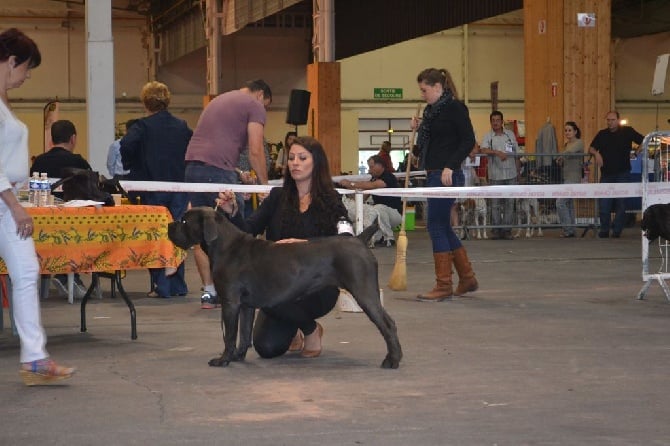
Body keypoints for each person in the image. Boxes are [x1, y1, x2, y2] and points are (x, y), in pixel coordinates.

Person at [216, 136, 349, 359]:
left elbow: (345, 240)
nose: (295, 162)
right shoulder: (277, 197)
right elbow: (247, 230)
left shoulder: (331, 199)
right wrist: (233, 212)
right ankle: (301, 326)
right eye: (292, 158)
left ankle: (310, 330)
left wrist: (305, 245)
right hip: (278, 284)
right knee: (267, 348)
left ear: (316, 163)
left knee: (269, 299)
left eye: (302, 158)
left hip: (317, 284)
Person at [0, 27, 75, 385]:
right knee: (26, 272)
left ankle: (34, 358)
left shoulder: (4, 102)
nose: (27, 75)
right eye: (26, 67)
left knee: (27, 272)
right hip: (5, 202)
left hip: (7, 201)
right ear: (11, 61)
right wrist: (16, 204)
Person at [184, 79, 272, 309]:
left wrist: (236, 173)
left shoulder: (220, 99)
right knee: (236, 235)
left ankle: (210, 292)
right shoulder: (254, 105)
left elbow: (210, 150)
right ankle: (238, 290)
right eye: (267, 106)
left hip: (193, 169)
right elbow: (255, 151)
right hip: (216, 173)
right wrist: (265, 187)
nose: (264, 112)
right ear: (261, 95)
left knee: (203, 233)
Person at [411, 67, 478, 302]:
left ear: (437, 87)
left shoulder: (455, 108)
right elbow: (426, 147)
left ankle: (444, 284)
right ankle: (467, 277)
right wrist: (418, 129)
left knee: (436, 227)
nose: (422, 95)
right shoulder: (431, 113)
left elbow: (468, 139)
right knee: (443, 227)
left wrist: (451, 165)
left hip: (447, 174)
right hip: (434, 173)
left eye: (424, 90)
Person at [120, 81, 191, 298]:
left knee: (157, 235)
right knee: (178, 233)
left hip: (153, 187)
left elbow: (126, 146)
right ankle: (178, 285)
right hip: (179, 187)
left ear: (145, 102)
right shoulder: (182, 125)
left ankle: (161, 285)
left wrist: (133, 164)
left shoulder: (142, 126)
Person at [30, 119, 92, 299]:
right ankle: (68, 275)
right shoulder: (78, 162)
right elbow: (91, 191)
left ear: (52, 139)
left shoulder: (39, 162)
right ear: (73, 138)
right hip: (72, 226)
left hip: (42, 226)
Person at [588, 111, 644, 238]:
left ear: (618, 120)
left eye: (612, 119)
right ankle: (604, 230)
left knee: (621, 203)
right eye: (608, 120)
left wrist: (637, 152)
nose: (610, 122)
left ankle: (617, 231)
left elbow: (644, 140)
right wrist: (596, 154)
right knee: (604, 204)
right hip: (606, 174)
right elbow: (591, 148)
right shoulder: (602, 134)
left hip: (623, 173)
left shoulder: (627, 131)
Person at [339, 154, 402, 246]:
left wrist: (350, 184)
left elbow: (372, 185)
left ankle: (390, 238)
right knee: (365, 218)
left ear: (380, 165)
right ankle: (378, 238)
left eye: (371, 167)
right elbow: (363, 197)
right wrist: (348, 193)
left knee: (377, 208)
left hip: (394, 213)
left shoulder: (388, 177)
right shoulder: (374, 179)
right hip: (381, 213)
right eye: (369, 167)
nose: (369, 170)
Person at [479, 110, 521, 240]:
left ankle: (507, 230)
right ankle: (496, 230)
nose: (495, 123)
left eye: (498, 120)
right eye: (493, 121)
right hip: (495, 175)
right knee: (495, 203)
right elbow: (483, 149)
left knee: (510, 203)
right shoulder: (488, 136)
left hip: (511, 173)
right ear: (490, 122)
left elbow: (516, 153)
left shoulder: (510, 135)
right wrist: (497, 152)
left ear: (502, 121)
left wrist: (518, 172)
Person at [555, 121, 585, 238]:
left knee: (560, 202)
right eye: (566, 130)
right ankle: (571, 229)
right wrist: (561, 160)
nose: (567, 132)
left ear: (575, 131)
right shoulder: (566, 144)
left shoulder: (579, 142)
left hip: (574, 178)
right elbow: (566, 157)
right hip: (566, 177)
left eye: (570, 130)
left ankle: (567, 229)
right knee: (569, 204)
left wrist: (560, 156)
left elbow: (569, 153)